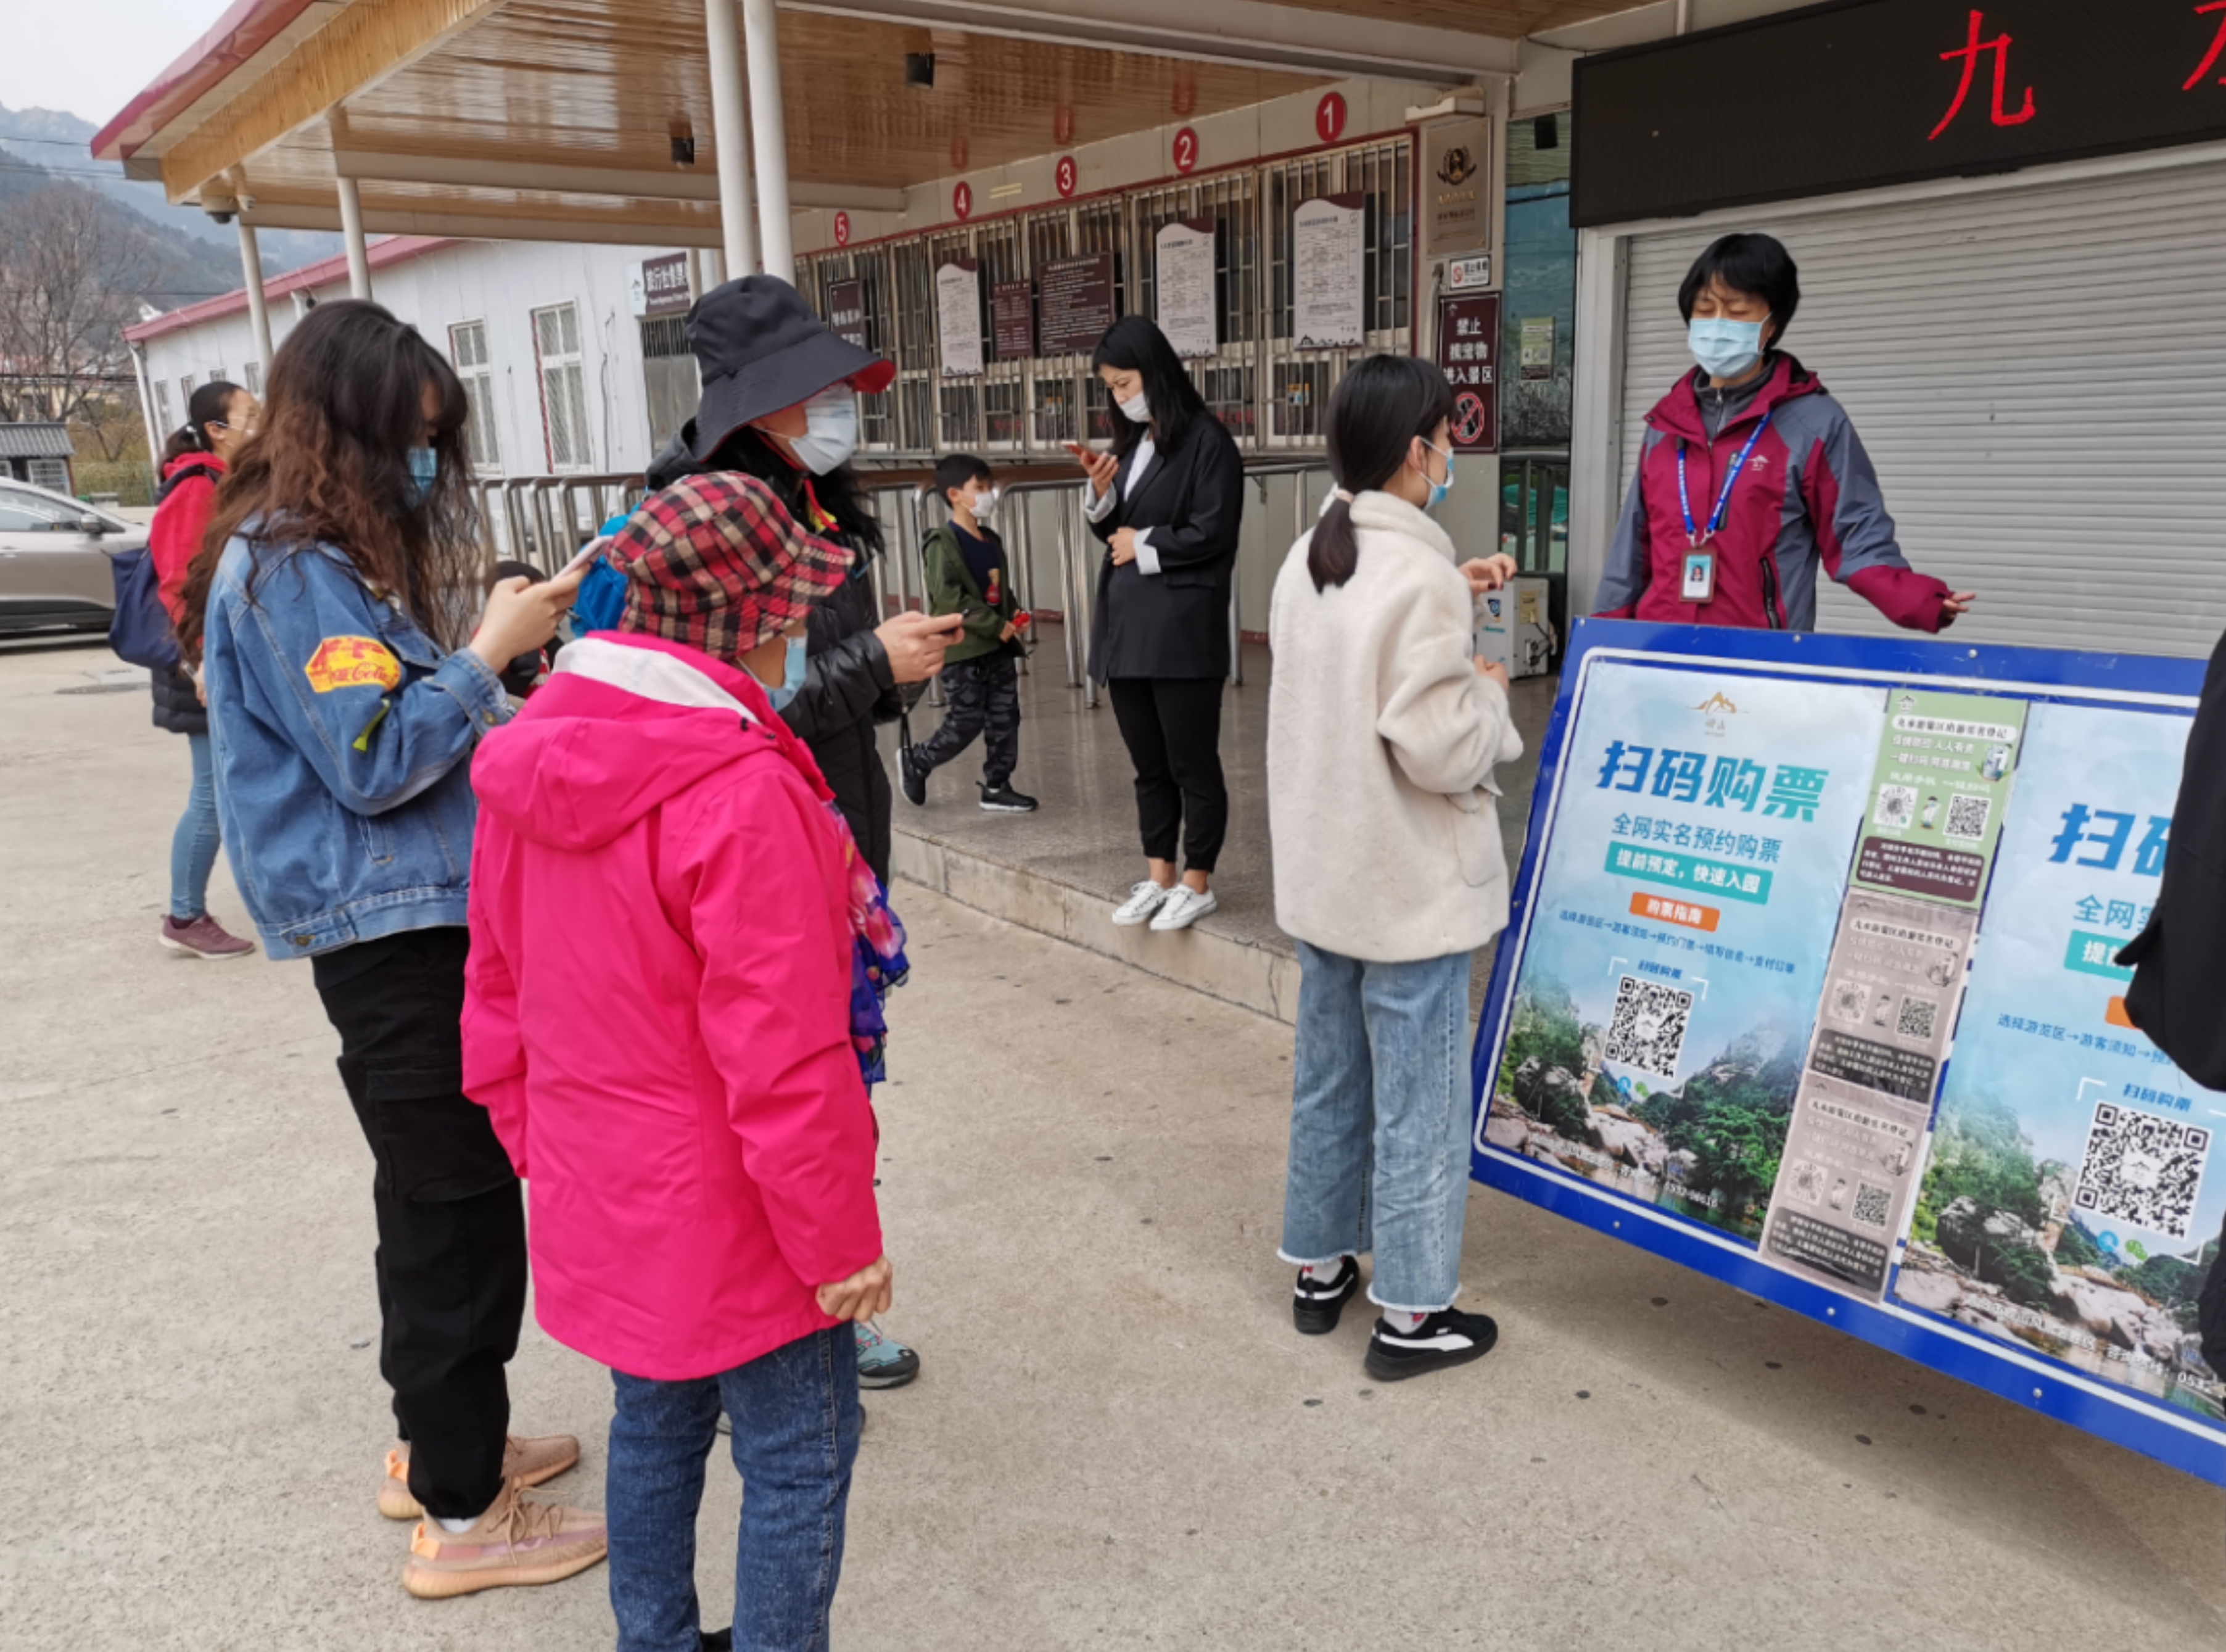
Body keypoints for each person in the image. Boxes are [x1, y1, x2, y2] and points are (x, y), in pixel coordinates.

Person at [185, 300, 604, 1599]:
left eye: (440, 442)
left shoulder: (328, 560)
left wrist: (495, 658)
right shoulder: (291, 565)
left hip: (415, 921)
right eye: (411, 441)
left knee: (440, 1195)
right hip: (391, 932)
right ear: (349, 432)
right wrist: (487, 657)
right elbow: (370, 758)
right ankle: (463, 1515)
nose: (426, 467)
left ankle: (439, 1447)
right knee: (452, 1212)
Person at [463, 472, 892, 1652]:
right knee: (798, 1452)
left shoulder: (526, 757)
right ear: (749, 615)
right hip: (743, 1207)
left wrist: (550, 1150)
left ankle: (651, 1638)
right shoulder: (738, 784)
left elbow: (492, 996)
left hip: (605, 1180)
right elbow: (784, 1054)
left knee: (652, 1425)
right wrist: (838, 1239)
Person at [646, 274, 948, 1389]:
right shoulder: (697, 522)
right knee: (778, 1076)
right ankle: (791, 1310)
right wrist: (871, 664)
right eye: (815, 392)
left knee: (838, 1070)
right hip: (750, 843)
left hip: (834, 823)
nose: (836, 412)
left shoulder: (816, 504)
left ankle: (827, 1281)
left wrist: (888, 670)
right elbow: (720, 710)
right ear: (753, 403)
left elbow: (831, 693)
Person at [1266, 354, 1524, 1384]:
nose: (1451, 450)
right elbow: (1439, 746)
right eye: (1445, 434)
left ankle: (1319, 1267)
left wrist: (1447, 602)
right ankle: (1412, 1315)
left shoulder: (1308, 554)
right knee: (1417, 1099)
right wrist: (1490, 691)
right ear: (1416, 451)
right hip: (1404, 881)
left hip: (1326, 873)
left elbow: (1348, 662)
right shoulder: (1413, 574)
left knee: (1328, 1078)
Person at [1595, 231, 1976, 634]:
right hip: (1659, 642)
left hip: (1760, 654)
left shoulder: (1813, 421)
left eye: (1737, 311)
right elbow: (1631, 546)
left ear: (1771, 324)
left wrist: (1915, 599)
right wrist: (1603, 631)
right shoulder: (1668, 421)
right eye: (1704, 310)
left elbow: (1855, 527)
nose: (1717, 325)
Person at [1073, 315, 1245, 933]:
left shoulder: (1208, 443)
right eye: (1112, 388)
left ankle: (1198, 879)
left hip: (1180, 630)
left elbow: (1213, 530)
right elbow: (1114, 528)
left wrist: (1140, 542)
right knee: (1147, 762)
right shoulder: (1134, 444)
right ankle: (1159, 874)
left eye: (1125, 383)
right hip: (1128, 629)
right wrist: (1100, 496)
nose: (1120, 397)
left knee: (1190, 761)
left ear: (1156, 372)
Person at [147, 378, 260, 959]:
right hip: (200, 662)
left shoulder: (227, 481)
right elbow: (179, 584)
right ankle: (184, 916)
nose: (260, 424)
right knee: (212, 793)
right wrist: (199, 662)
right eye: (250, 415)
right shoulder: (195, 487)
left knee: (234, 786)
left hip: (221, 655)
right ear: (218, 430)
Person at [901, 452, 1036, 813]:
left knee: (1006, 717)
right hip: (963, 652)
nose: (988, 494)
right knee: (966, 720)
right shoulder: (941, 544)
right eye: (980, 487)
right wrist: (995, 625)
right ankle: (918, 761)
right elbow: (949, 600)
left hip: (997, 648)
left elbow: (1000, 591)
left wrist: (1016, 615)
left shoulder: (990, 540)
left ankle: (997, 785)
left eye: (989, 487)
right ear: (955, 494)